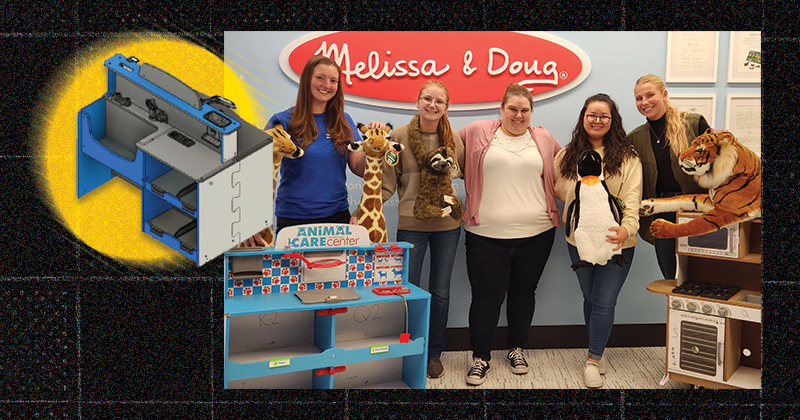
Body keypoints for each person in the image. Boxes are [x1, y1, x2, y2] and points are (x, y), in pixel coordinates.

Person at [457, 83, 561, 386]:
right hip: (485, 234)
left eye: (524, 110)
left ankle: (517, 348)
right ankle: (480, 357)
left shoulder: (542, 137)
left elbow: (565, 168)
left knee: (523, 294)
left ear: (531, 112)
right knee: (486, 298)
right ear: (501, 109)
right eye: (512, 109)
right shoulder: (478, 131)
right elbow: (444, 143)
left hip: (537, 232)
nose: (518, 115)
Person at [241, 56, 382, 246]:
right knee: (292, 275)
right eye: (320, 78)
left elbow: (358, 166)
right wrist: (253, 219)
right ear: (307, 79)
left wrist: (373, 147)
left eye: (333, 81)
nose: (327, 85)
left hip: (337, 218)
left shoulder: (344, 120)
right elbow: (259, 172)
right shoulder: (281, 121)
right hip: (293, 220)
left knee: (335, 275)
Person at [554, 93, 642, 388]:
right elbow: (558, 189)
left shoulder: (627, 157)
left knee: (604, 301)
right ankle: (599, 348)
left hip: (617, 242)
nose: (597, 120)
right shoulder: (567, 155)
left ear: (612, 120)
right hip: (579, 242)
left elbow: (632, 196)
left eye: (604, 116)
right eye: (592, 115)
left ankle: (592, 359)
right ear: (583, 117)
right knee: (590, 298)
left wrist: (627, 228)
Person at [380, 81, 465, 379]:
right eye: (427, 99)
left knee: (440, 292)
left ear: (446, 107)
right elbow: (387, 181)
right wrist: (365, 212)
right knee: (408, 290)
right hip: (411, 225)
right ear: (417, 102)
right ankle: (407, 349)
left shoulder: (453, 138)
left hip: (447, 225)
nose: (432, 104)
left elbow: (463, 172)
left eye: (439, 101)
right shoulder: (398, 137)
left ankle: (433, 353)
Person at [628, 74, 710, 280]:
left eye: (650, 95)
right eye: (639, 98)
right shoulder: (635, 138)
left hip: (695, 212)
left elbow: (718, 165)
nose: (645, 102)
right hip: (661, 215)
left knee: (702, 276)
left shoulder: (693, 123)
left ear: (664, 95)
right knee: (671, 279)